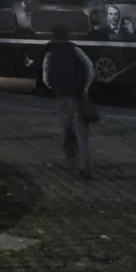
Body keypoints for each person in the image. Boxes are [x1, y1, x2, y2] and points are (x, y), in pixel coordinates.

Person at [42, 25, 95, 178]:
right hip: (78, 96)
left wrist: (56, 88)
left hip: (63, 98)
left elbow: (46, 78)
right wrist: (85, 88)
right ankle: (85, 169)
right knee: (82, 136)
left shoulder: (50, 53)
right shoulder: (76, 50)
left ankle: (71, 163)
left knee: (67, 131)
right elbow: (90, 69)